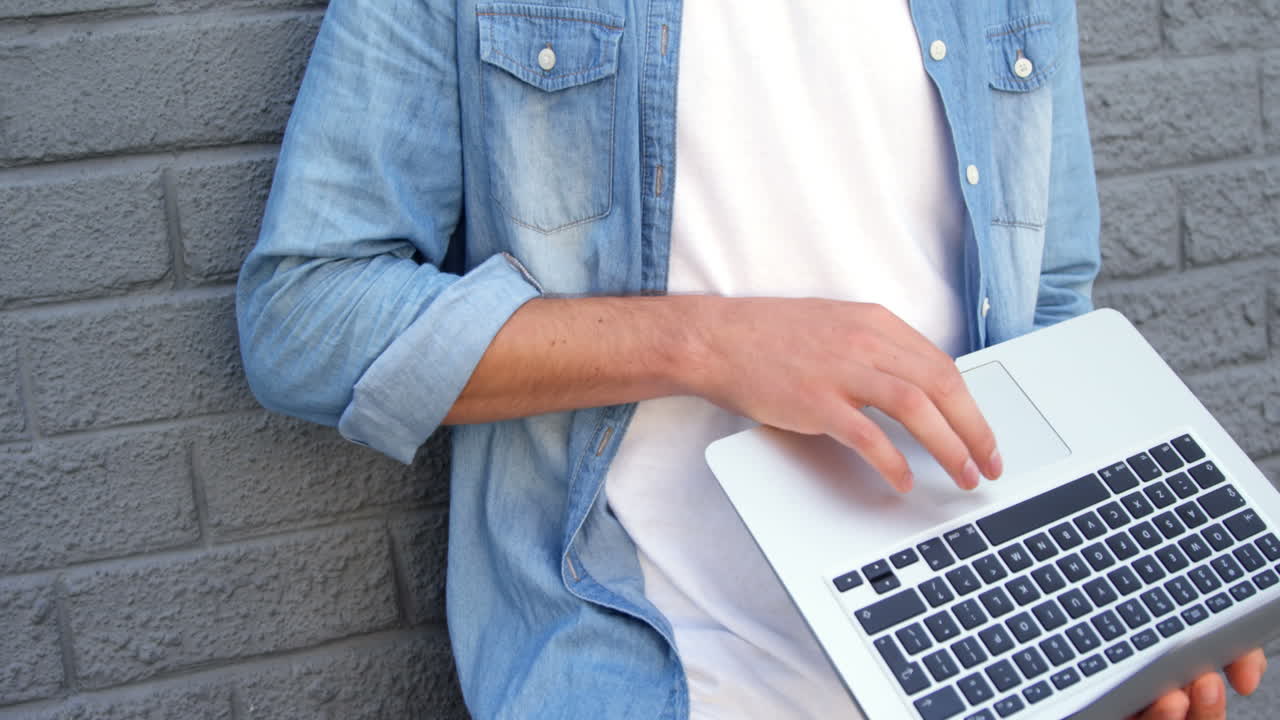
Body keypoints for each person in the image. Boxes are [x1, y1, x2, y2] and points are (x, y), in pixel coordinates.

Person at [235, 0, 1267, 717]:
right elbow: (306, 314)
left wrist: (1098, 629)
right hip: (654, 677)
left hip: (978, 663)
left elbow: (1047, 306)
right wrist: (709, 341)